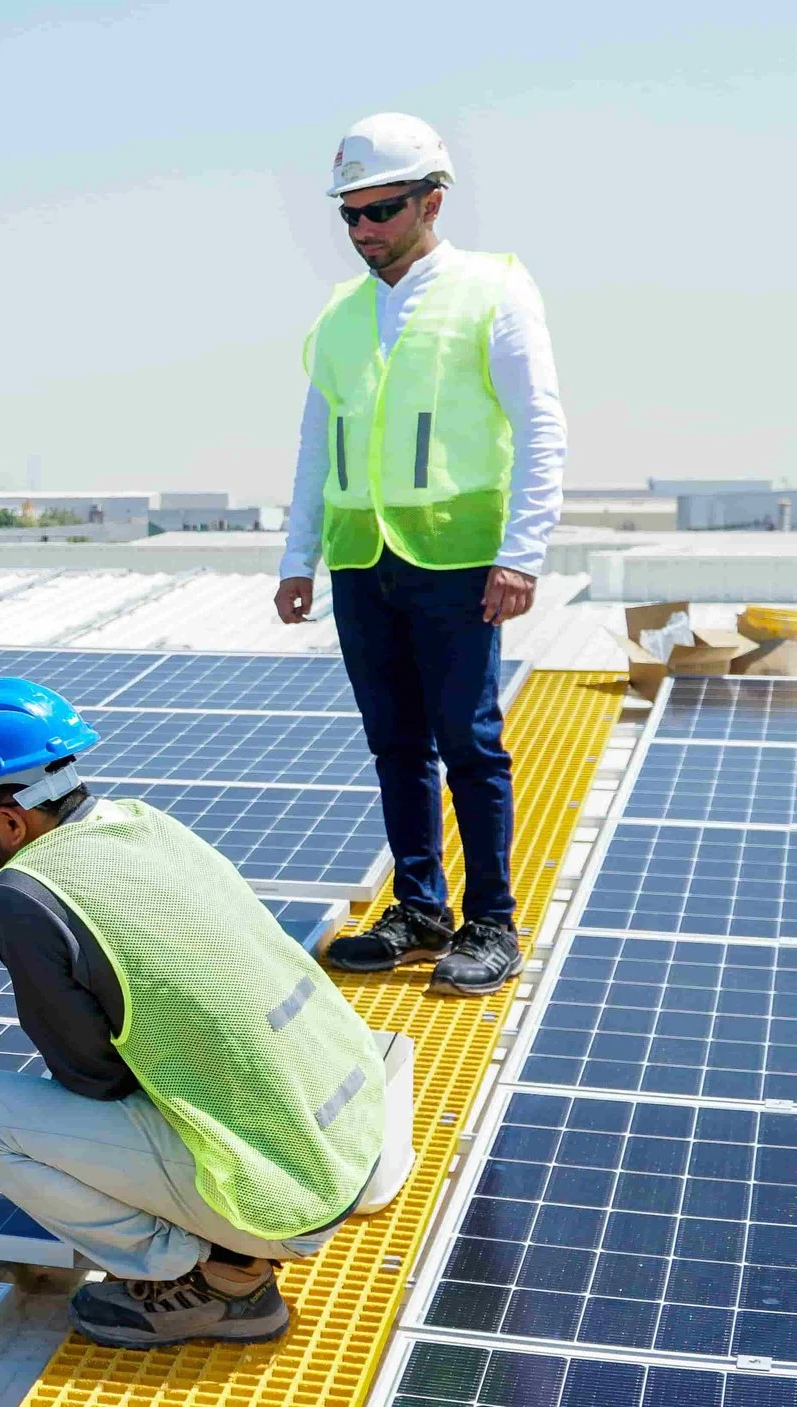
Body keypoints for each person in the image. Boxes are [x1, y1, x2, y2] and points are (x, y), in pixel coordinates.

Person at [0, 679, 389, 1349]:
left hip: (286, 1198)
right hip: (356, 1137)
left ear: (12, 820)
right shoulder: (142, 821)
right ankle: (235, 1238)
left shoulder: (22, 896)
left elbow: (95, 1079)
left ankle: (215, 1280)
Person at [275, 113, 566, 997]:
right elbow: (316, 443)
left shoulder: (493, 291)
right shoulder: (338, 318)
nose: (364, 230)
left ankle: (490, 922)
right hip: (364, 560)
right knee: (396, 743)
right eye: (350, 215)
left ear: (433, 199)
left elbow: (541, 426)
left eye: (382, 210)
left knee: (468, 741)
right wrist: (299, 558)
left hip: (458, 559)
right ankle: (419, 906)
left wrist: (523, 551)